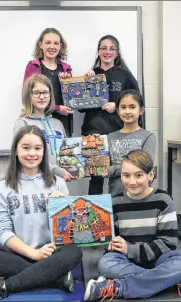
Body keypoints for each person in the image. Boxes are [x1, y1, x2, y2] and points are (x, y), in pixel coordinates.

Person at [0, 125, 82, 299]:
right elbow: (3, 232)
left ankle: (4, 286)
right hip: (20, 253)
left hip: (53, 252)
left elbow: (71, 229)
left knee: (74, 252)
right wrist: (33, 253)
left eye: (37, 148)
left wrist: (63, 204)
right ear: (16, 151)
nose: (32, 154)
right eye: (26, 148)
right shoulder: (1, 188)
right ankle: (55, 278)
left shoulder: (57, 183)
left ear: (44, 152)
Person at [84, 150, 181, 301]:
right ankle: (165, 281)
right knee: (106, 263)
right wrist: (110, 244)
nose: (132, 181)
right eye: (126, 175)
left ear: (151, 175)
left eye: (139, 175)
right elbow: (111, 238)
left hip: (158, 257)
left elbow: (168, 242)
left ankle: (119, 287)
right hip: (125, 259)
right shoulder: (115, 202)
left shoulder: (164, 200)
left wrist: (131, 249)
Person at [80, 34, 140, 195]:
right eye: (104, 48)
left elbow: (137, 102)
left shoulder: (125, 75)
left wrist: (118, 107)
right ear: (98, 51)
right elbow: (80, 107)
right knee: (96, 178)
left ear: (117, 52)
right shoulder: (91, 75)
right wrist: (86, 85)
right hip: (93, 134)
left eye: (112, 48)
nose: (108, 51)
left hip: (119, 133)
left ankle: (118, 215)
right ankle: (98, 218)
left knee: (119, 177)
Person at [15, 73, 73, 181]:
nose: (42, 97)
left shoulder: (58, 124)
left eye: (46, 92)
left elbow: (68, 153)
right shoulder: (23, 123)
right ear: (28, 95)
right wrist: (57, 171)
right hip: (34, 182)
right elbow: (25, 157)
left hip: (59, 182)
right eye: (36, 93)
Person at [104, 89, 156, 197]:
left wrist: (113, 170)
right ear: (118, 111)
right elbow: (102, 165)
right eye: (123, 107)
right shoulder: (110, 137)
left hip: (141, 195)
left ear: (141, 110)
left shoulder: (148, 136)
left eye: (132, 107)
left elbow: (143, 166)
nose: (127, 111)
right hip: (115, 195)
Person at [23, 27, 74, 137]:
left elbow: (73, 100)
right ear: (40, 45)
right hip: (39, 119)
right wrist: (56, 108)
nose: (52, 46)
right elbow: (26, 96)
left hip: (62, 122)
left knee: (62, 152)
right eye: (48, 43)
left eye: (56, 43)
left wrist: (68, 85)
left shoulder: (66, 69)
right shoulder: (33, 66)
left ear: (60, 46)